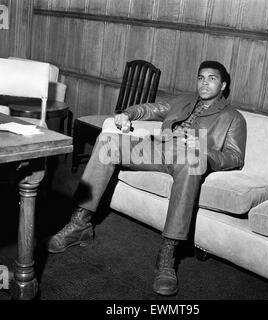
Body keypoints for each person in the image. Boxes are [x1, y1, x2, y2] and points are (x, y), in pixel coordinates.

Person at [46, 60, 247, 296]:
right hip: (160, 149)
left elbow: (235, 157)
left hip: (190, 155)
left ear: (223, 85)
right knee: (107, 142)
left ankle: (168, 253)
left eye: (212, 79)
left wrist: (204, 150)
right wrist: (126, 114)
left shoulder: (232, 117)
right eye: (201, 78)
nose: (204, 83)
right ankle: (80, 223)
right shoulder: (183, 99)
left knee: (193, 162)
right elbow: (151, 109)